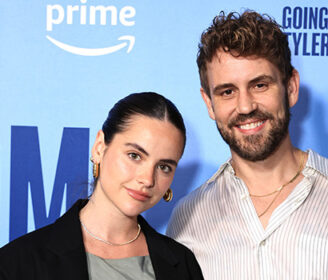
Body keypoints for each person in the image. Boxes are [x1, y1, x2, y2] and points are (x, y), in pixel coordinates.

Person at [166, 11, 328, 279]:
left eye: (260, 85)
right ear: (209, 103)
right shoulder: (187, 219)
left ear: (291, 87)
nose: (245, 106)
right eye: (227, 92)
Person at [0, 92, 204, 280]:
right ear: (99, 148)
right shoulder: (19, 262)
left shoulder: (183, 264)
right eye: (134, 156)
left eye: (164, 167)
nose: (147, 179)